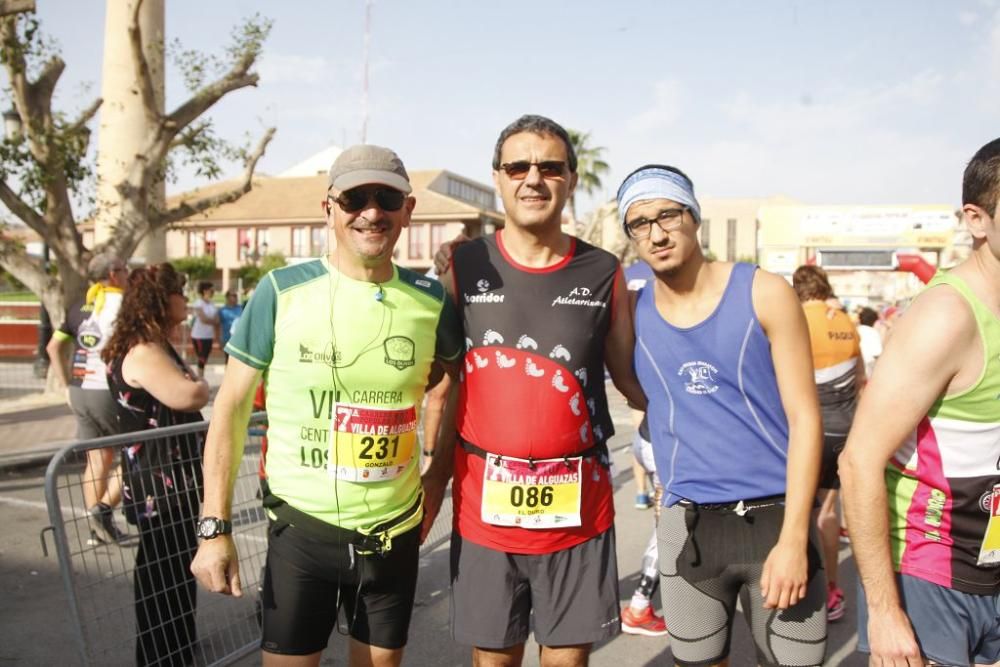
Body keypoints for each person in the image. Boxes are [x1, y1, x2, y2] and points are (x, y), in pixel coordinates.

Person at [190, 144, 462, 667]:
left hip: (394, 535)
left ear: (408, 210)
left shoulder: (431, 299)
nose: (372, 211)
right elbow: (230, 409)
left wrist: (437, 473)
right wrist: (214, 528)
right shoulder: (281, 291)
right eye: (355, 197)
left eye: (387, 198)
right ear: (329, 208)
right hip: (303, 532)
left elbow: (466, 381)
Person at [434, 114, 646, 667]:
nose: (533, 178)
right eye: (518, 166)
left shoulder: (605, 271)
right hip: (485, 509)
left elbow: (631, 381)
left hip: (579, 512)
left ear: (570, 179)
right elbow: (436, 380)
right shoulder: (463, 264)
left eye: (550, 167)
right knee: (494, 662)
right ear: (499, 178)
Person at [620, 164, 827, 666]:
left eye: (667, 214)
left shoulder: (764, 291)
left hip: (776, 520)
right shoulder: (630, 314)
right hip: (688, 530)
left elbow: (806, 419)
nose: (657, 232)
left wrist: (797, 536)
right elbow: (640, 395)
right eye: (640, 223)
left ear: (693, 218)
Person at [839, 138, 1000, 665]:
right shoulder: (946, 317)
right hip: (932, 575)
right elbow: (859, 460)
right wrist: (885, 612)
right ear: (976, 220)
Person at [102, 263, 210, 667]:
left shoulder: (154, 344)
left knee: (175, 564)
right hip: (157, 483)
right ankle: (160, 653)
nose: (185, 298)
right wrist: (200, 384)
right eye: (179, 291)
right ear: (161, 300)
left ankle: (177, 645)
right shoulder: (145, 351)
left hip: (169, 478)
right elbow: (187, 396)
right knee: (162, 569)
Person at [792, 264, 865, 623]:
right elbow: (861, 379)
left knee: (799, 510)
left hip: (806, 429)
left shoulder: (796, 318)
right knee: (829, 511)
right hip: (845, 429)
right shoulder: (845, 322)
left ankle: (801, 584)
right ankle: (833, 590)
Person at [46, 254, 129, 545]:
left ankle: (97, 529)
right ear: (114, 273)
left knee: (97, 458)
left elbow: (53, 346)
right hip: (108, 390)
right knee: (137, 453)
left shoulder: (80, 305)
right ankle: (103, 510)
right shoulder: (124, 305)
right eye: (125, 269)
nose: (128, 273)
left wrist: (66, 385)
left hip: (80, 389)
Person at [620, 416, 669, 637]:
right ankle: (638, 608)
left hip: (650, 437)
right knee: (672, 523)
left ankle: (639, 606)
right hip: (660, 441)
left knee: (672, 519)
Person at [190, 280, 218, 378]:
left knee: (205, 358)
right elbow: (203, 319)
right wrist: (212, 320)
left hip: (209, 336)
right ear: (205, 290)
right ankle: (200, 379)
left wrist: (211, 320)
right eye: (211, 290)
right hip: (199, 335)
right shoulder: (198, 303)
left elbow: (216, 319)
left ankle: (200, 378)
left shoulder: (212, 304)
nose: (213, 292)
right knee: (202, 358)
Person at [856, 306, 882, 377]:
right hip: (867, 370)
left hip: (854, 368)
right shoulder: (873, 332)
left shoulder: (855, 330)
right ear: (874, 320)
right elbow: (877, 353)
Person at [218, 289, 243, 359]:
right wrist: (220, 340)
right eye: (234, 295)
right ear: (227, 297)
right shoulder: (222, 311)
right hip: (227, 340)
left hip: (239, 341)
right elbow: (219, 326)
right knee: (228, 360)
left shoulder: (241, 308)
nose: (236, 297)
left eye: (236, 296)